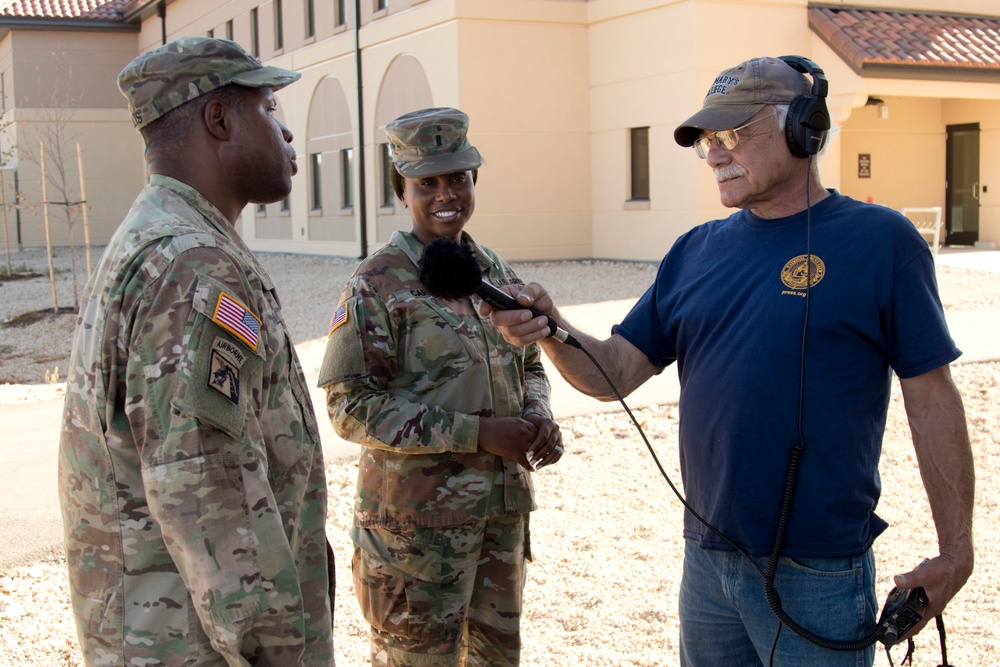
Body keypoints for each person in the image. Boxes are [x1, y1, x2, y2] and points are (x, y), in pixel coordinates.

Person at [484, 56, 974, 666]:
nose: (714, 154)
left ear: (801, 128)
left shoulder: (883, 241)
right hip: (707, 564)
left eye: (733, 135)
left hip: (820, 569)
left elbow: (931, 399)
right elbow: (612, 373)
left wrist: (956, 552)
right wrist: (551, 330)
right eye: (707, 141)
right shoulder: (693, 252)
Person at [58, 37, 335, 666]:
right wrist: (281, 652)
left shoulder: (164, 238)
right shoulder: (190, 266)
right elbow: (212, 498)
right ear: (219, 120)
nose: (287, 135)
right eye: (268, 109)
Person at [317, 107, 563, 666]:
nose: (445, 194)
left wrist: (538, 415)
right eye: (426, 182)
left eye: (458, 178)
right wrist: (478, 434)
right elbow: (349, 406)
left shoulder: (493, 270)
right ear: (401, 190)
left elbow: (529, 364)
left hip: (498, 523)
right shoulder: (375, 282)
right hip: (414, 540)